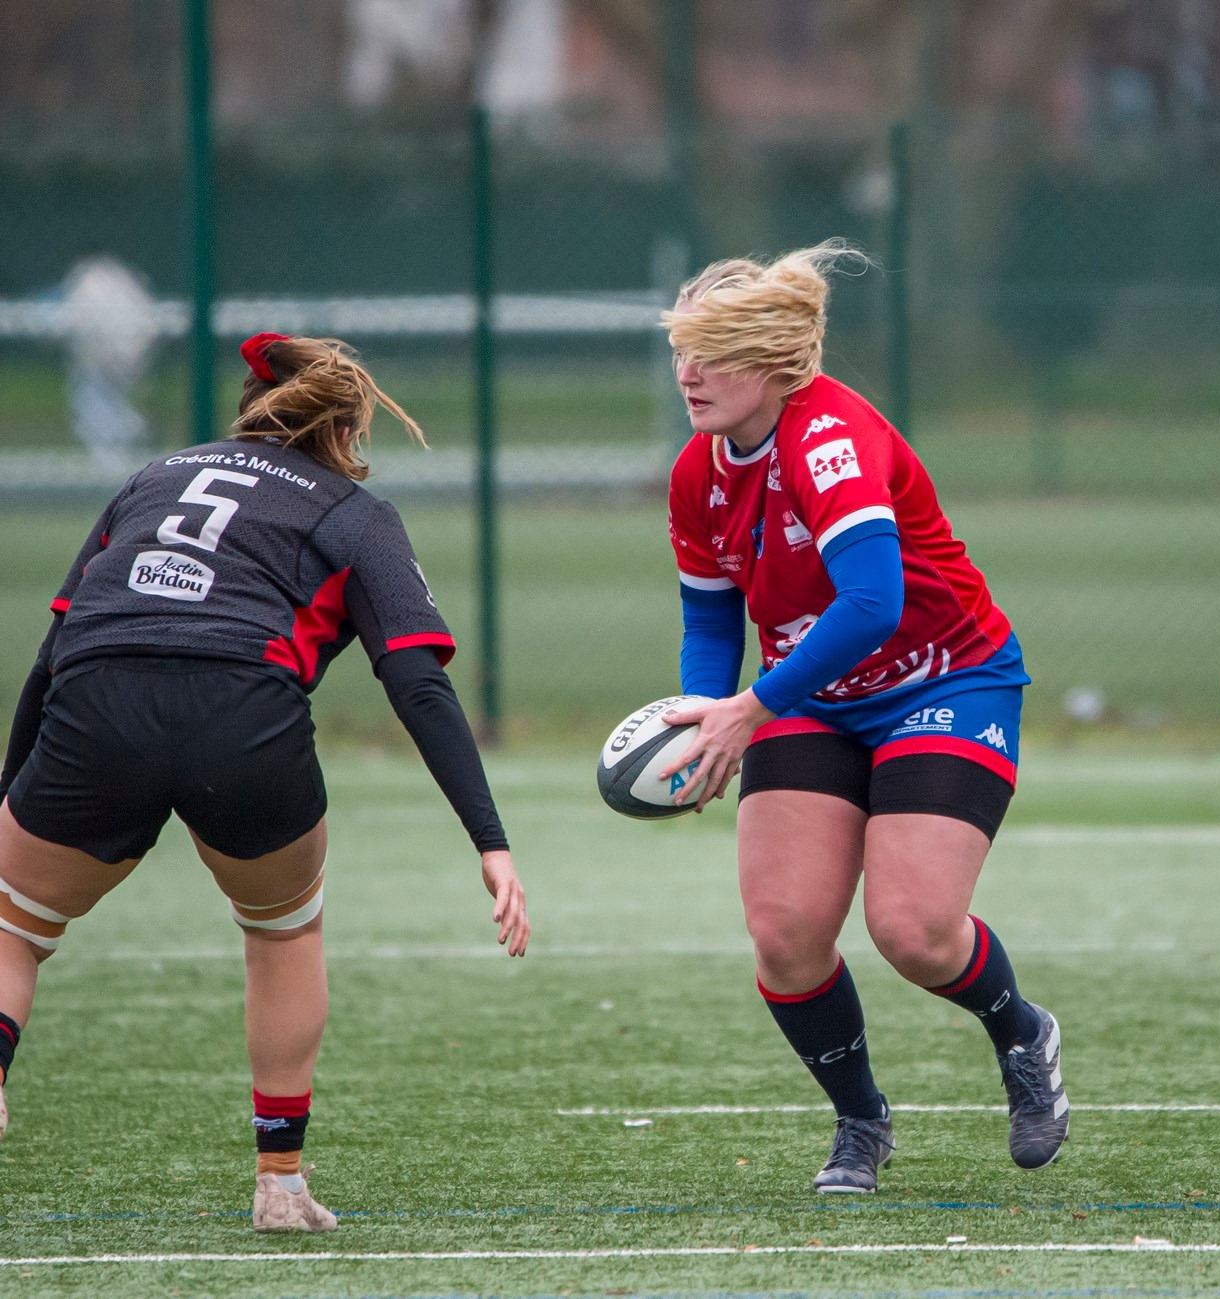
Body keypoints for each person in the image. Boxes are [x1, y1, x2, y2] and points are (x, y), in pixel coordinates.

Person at [0, 333, 529, 1232]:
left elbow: (55, 650)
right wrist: (491, 839)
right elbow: (418, 683)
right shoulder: (355, 513)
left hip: (101, 695)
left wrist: (13, 790)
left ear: (250, 404)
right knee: (283, 931)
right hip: (241, 716)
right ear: (349, 425)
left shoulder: (151, 478)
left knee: (13, 924)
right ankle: (280, 1182)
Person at [656, 242, 1066, 1194]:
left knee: (915, 928)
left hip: (945, 680)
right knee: (786, 934)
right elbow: (710, 616)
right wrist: (707, 714)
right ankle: (861, 1123)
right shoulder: (696, 471)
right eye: (683, 349)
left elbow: (873, 604)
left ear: (770, 361)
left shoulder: (828, 438)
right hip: (813, 696)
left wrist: (750, 709)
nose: (688, 372)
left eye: (711, 352)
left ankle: (1023, 1032)